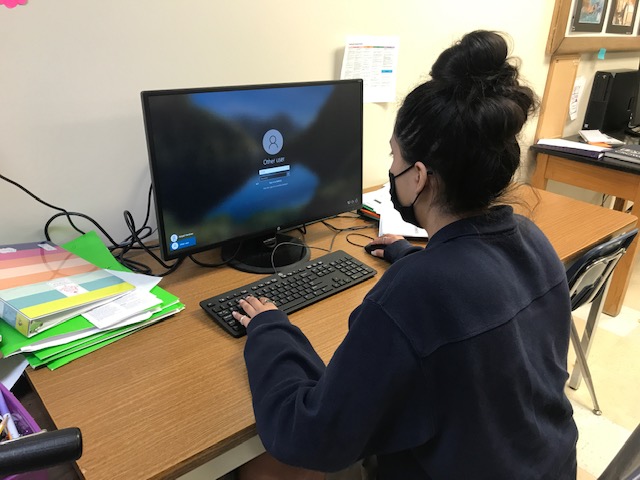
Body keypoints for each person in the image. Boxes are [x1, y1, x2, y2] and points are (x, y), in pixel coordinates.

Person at [232, 30, 578, 479]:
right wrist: (408, 255)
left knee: (264, 465)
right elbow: (467, 297)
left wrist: (269, 330)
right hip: (546, 465)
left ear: (418, 177)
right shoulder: (530, 239)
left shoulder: (414, 293)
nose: (390, 169)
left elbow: (310, 436)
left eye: (393, 158)